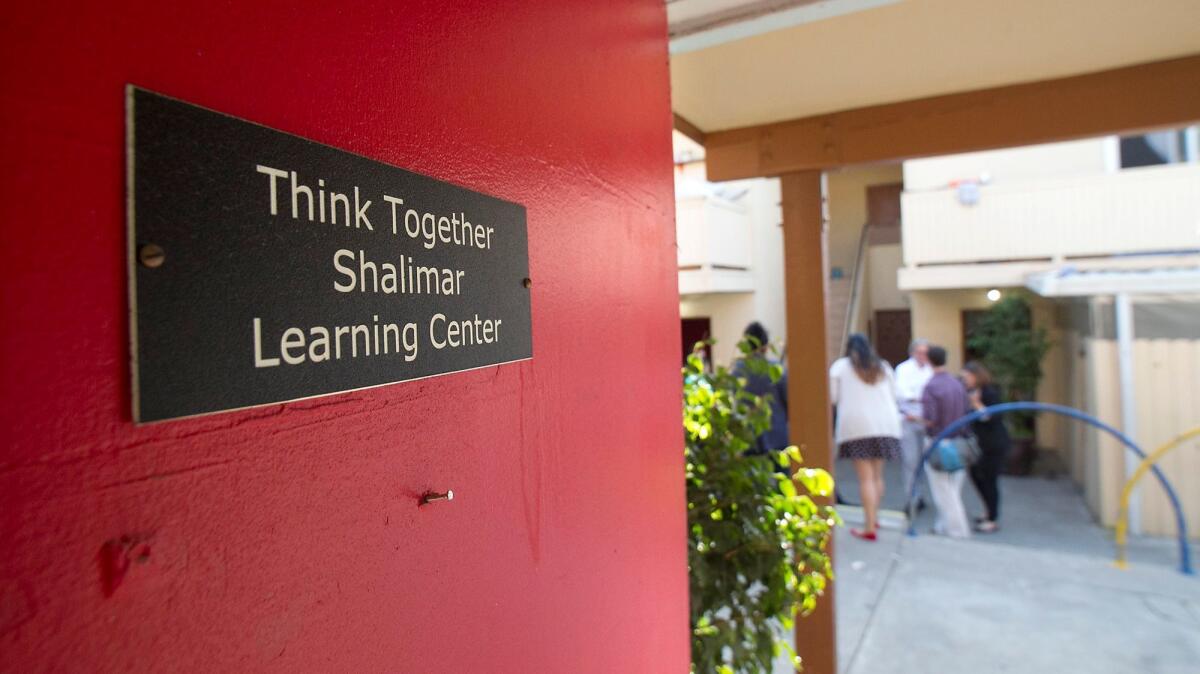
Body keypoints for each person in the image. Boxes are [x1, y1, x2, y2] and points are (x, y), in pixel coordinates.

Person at [829, 333, 901, 541]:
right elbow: (895, 394)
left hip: (857, 427)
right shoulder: (883, 367)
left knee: (865, 478)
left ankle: (869, 526)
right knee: (878, 476)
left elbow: (833, 397)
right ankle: (874, 516)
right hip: (887, 425)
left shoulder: (841, 367)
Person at [920, 346, 972, 539]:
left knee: (942, 490)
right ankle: (942, 526)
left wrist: (914, 417)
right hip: (959, 441)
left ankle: (957, 530)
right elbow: (966, 410)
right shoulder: (957, 384)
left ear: (928, 360)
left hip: (937, 441)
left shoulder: (931, 386)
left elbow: (930, 418)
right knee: (954, 487)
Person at [963, 361, 1011, 533]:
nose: (965, 380)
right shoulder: (973, 392)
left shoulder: (990, 392)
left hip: (994, 444)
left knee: (990, 479)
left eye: (967, 377)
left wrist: (976, 404)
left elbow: (992, 417)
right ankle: (988, 511)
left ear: (976, 376)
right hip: (983, 444)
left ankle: (992, 518)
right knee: (976, 473)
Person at [734, 322, 789, 456]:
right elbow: (789, 401)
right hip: (778, 437)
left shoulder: (738, 371)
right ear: (766, 346)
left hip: (749, 440)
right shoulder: (777, 370)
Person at [894, 339, 933, 511]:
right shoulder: (903, 369)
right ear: (912, 353)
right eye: (919, 352)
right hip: (909, 418)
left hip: (926, 420)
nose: (922, 356)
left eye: (925, 352)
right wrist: (918, 397)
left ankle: (921, 494)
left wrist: (918, 397)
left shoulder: (931, 369)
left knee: (927, 461)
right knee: (910, 460)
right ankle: (911, 499)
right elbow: (902, 393)